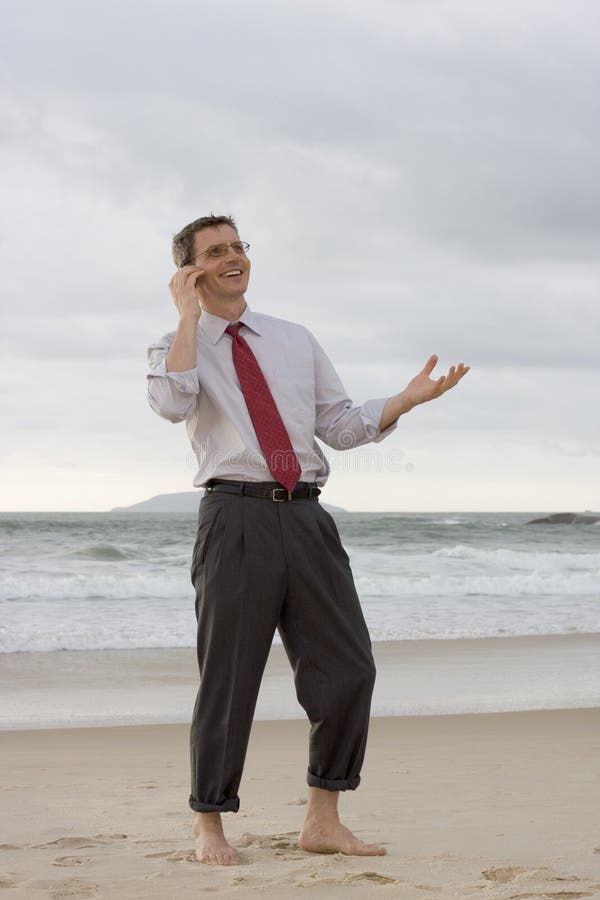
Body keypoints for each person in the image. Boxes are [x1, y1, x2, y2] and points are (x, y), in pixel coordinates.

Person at [146, 214, 469, 867]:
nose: (233, 257)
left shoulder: (294, 339)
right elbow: (170, 403)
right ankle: (208, 824)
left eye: (238, 246)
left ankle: (323, 818)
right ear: (190, 271)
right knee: (228, 679)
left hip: (308, 517)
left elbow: (340, 426)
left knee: (349, 669)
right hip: (234, 517)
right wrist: (187, 319)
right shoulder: (174, 346)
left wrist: (403, 401)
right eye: (216, 251)